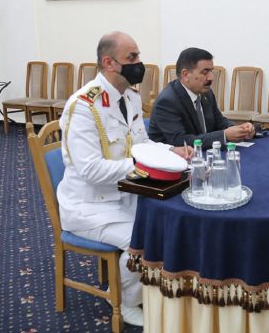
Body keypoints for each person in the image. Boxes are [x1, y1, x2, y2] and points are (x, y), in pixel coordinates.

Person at [57, 31, 191, 327]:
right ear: (109, 63)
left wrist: (170, 151)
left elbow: (142, 143)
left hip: (127, 195)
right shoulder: (83, 106)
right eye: (132, 57)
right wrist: (145, 167)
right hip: (89, 205)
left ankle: (151, 288)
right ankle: (126, 301)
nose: (139, 63)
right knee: (142, 238)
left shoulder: (129, 96)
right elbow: (91, 170)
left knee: (169, 223)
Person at [148, 47, 254, 148]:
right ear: (186, 75)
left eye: (211, 71)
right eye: (205, 72)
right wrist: (224, 136)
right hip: (172, 158)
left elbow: (219, 122)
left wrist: (240, 129)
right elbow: (180, 141)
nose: (211, 77)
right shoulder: (167, 101)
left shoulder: (206, 93)